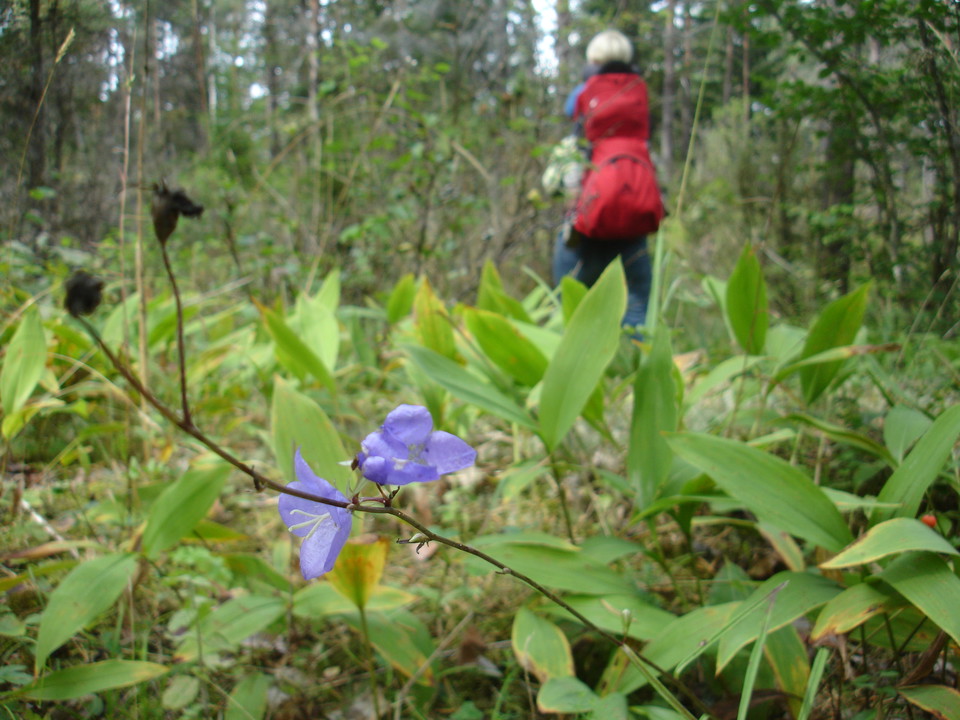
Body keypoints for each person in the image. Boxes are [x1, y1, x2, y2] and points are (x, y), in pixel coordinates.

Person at [552, 29, 656, 337]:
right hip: (634, 201)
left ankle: (571, 357)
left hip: (593, 203)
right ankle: (635, 371)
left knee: (569, 287)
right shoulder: (640, 92)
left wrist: (571, 194)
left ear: (592, 59)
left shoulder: (583, 93)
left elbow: (576, 144)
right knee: (636, 296)